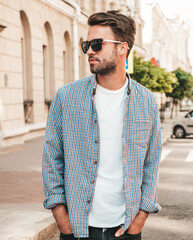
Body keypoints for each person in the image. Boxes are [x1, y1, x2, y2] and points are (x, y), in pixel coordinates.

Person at [42, 10, 162, 240]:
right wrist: (63, 223)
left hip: (126, 228)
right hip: (77, 230)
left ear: (122, 48)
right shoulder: (66, 98)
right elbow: (51, 160)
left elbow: (152, 162)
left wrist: (140, 219)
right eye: (87, 44)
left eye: (97, 44)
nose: (89, 51)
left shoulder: (146, 101)